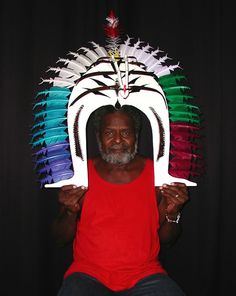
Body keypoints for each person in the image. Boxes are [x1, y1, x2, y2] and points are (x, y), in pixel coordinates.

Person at [52, 105, 189, 296]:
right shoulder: (80, 175)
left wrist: (173, 213)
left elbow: (168, 240)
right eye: (109, 132)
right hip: (87, 275)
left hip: (145, 275)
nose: (117, 140)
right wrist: (69, 212)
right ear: (98, 136)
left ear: (136, 136)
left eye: (125, 132)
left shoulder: (158, 176)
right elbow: (59, 239)